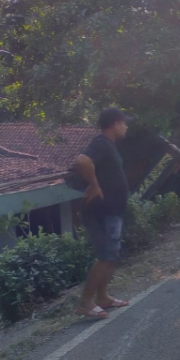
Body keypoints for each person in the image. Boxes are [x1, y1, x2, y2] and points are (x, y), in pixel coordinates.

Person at [75, 107, 131, 319]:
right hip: (101, 211)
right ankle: (85, 302)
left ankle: (103, 297)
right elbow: (83, 160)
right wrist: (95, 185)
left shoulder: (109, 146)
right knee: (105, 256)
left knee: (112, 255)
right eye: (124, 123)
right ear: (115, 124)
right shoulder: (101, 143)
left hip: (113, 210)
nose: (126, 127)